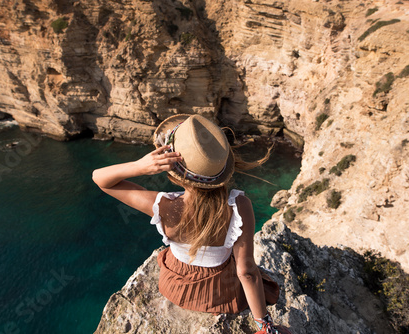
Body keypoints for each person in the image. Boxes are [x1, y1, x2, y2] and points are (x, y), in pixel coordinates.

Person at [92, 114, 290, 334]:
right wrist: (265, 325)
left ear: (174, 175)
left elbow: (100, 178)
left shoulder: (163, 206)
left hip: (175, 287)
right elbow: (246, 272)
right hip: (221, 292)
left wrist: (140, 167)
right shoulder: (240, 205)